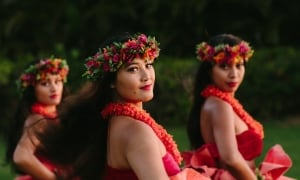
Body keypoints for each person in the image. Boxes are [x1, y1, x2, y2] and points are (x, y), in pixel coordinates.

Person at [34, 33, 208, 180]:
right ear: (111, 81)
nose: (146, 75)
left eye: (148, 65)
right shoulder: (136, 131)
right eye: (133, 69)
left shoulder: (115, 122)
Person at [183, 34, 293, 179]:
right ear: (209, 70)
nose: (234, 74)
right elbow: (230, 158)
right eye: (224, 66)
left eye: (239, 65)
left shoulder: (221, 102)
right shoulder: (219, 106)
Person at [5, 57, 70, 180]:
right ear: (32, 90)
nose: (54, 88)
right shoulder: (39, 119)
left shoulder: (54, 115)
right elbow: (21, 157)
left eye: (58, 81)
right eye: (45, 83)